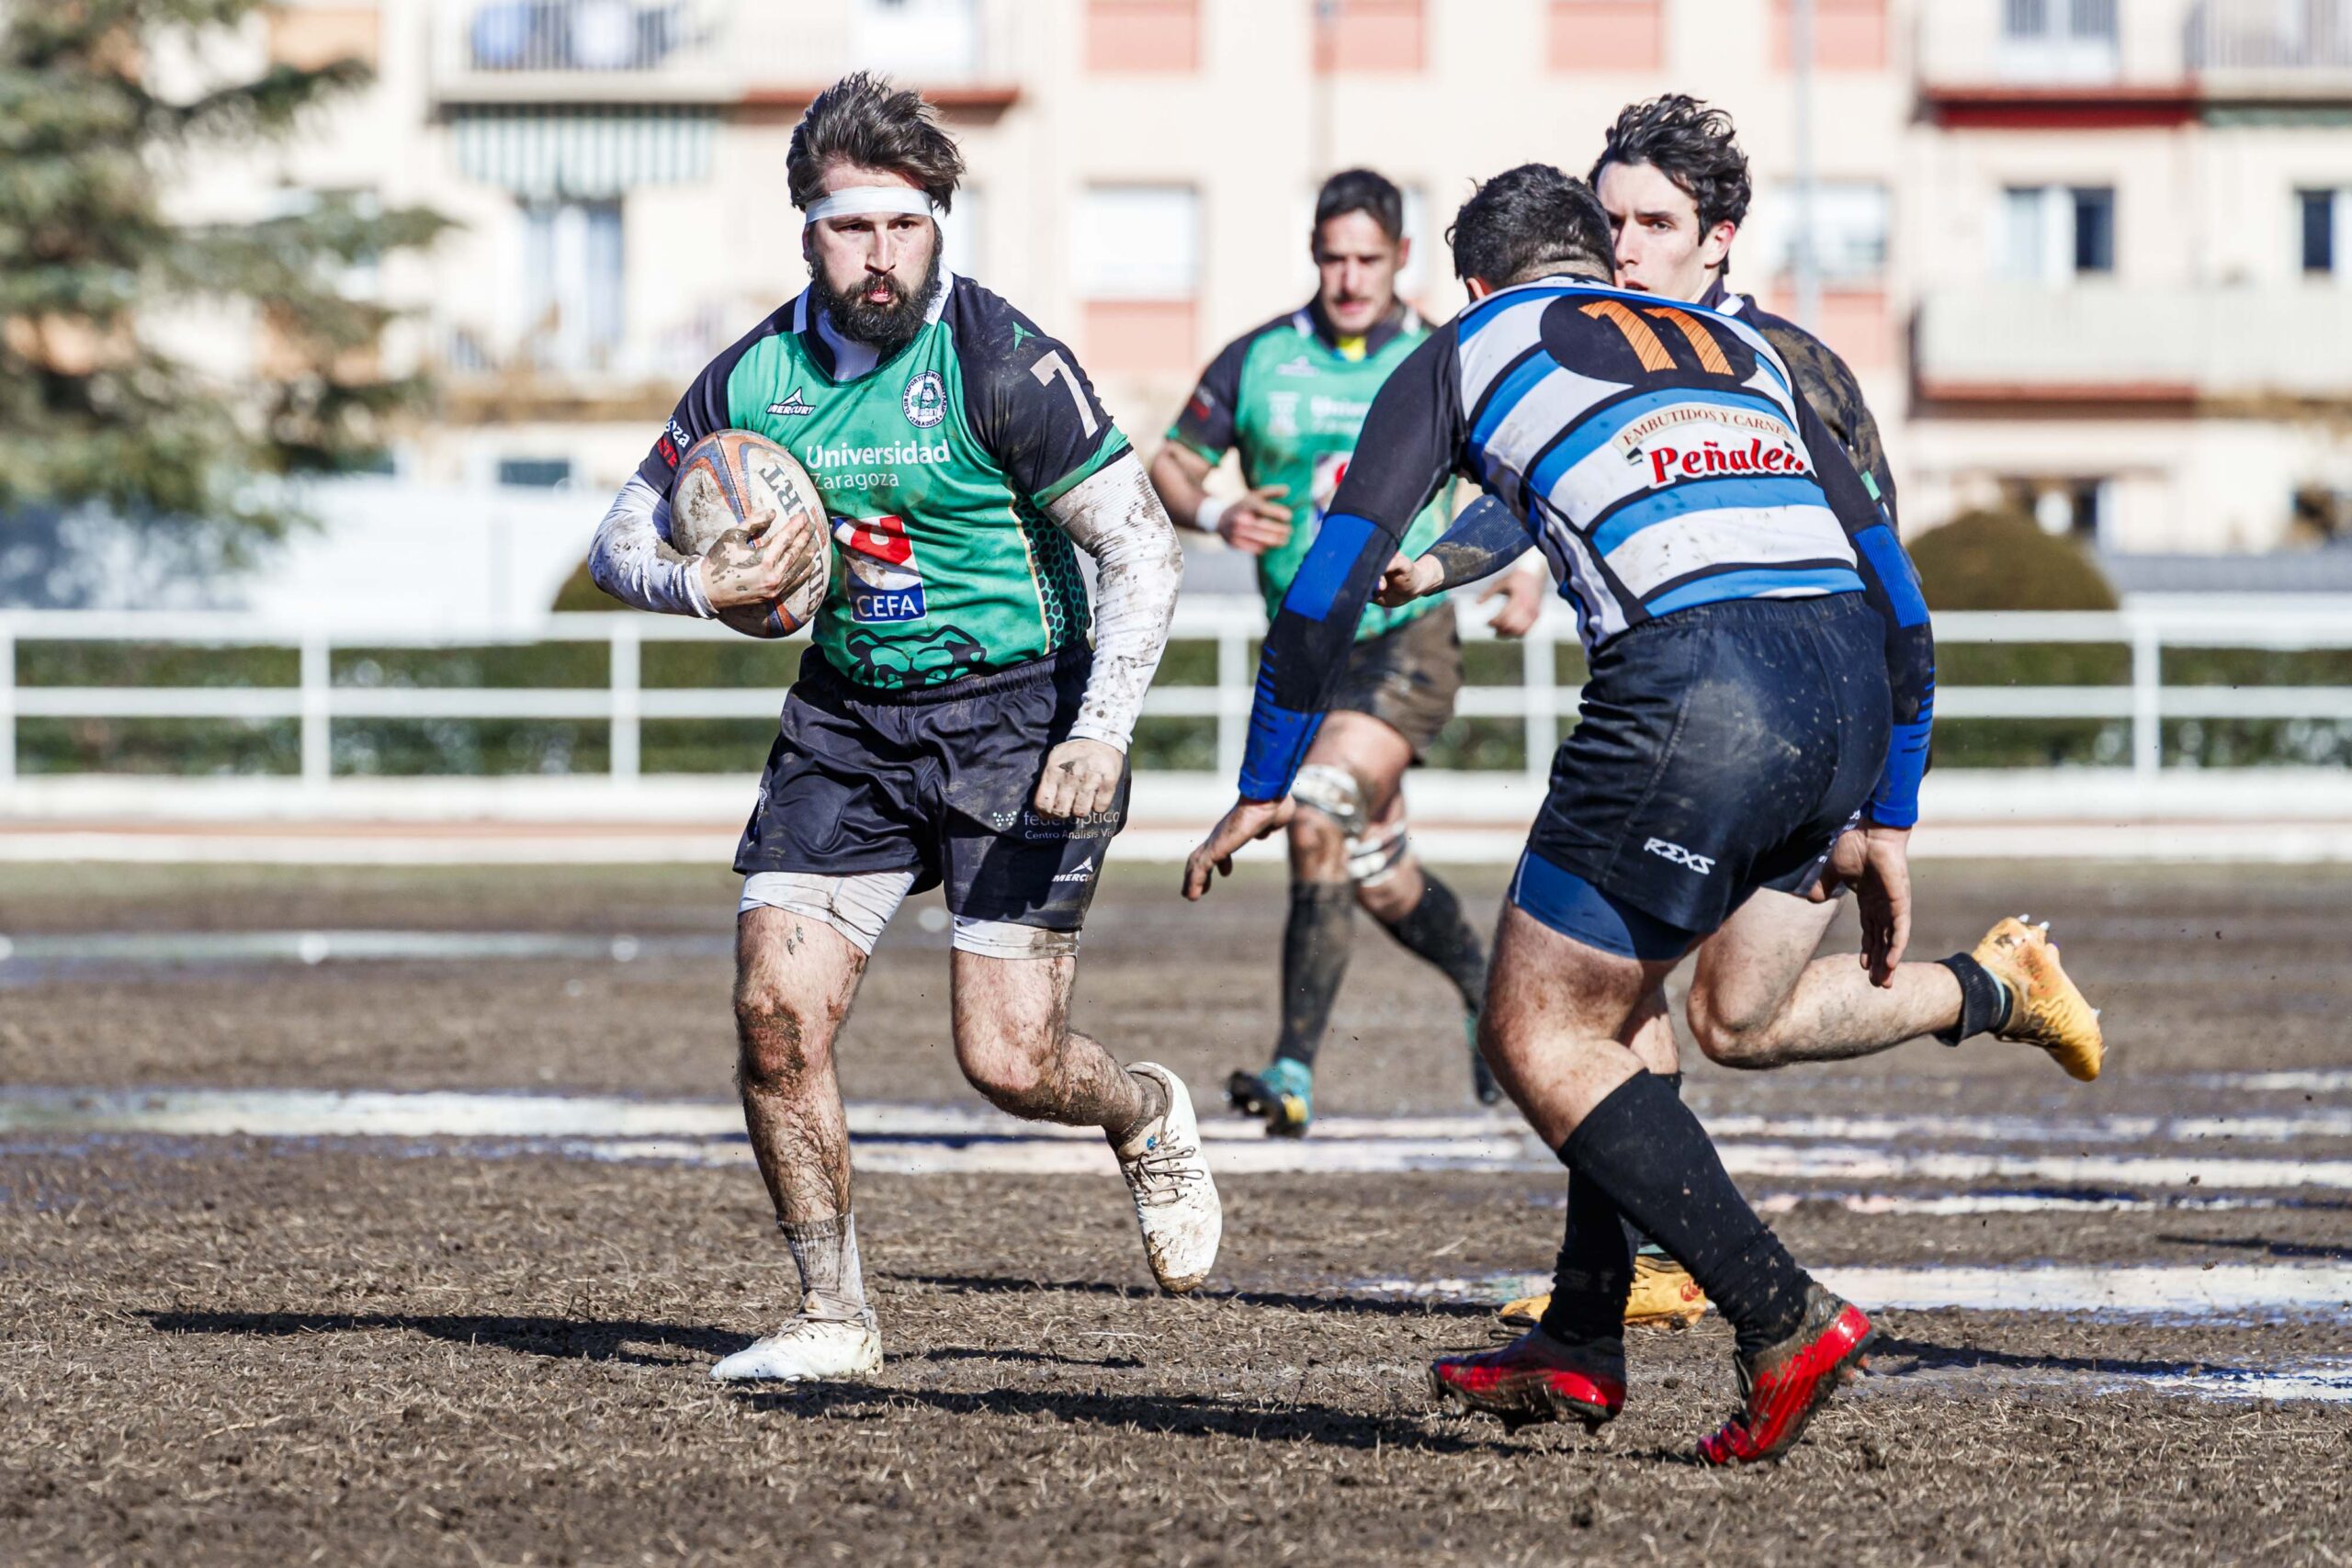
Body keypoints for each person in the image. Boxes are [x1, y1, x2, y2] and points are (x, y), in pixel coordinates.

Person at [1190, 163, 1943, 1464]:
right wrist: (1890, 802)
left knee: (1539, 1028)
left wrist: (1265, 775)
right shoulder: (1735, 341)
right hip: (1848, 686)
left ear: (1475, 281)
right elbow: (1900, 588)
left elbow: (1323, 590)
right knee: (1622, 1009)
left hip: (1699, 688)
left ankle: (1783, 1313)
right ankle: (1584, 1334)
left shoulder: (1462, 345)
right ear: (1597, 258)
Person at [591, 73, 1218, 1385]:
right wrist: (692, 582)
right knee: (774, 1016)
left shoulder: (1000, 360)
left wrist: (1099, 729)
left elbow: (1142, 550)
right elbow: (613, 536)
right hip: (848, 723)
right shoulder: (753, 373)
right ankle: (833, 1310)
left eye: (905, 225)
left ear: (939, 222)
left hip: (1017, 717)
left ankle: (1145, 1109)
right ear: (806, 229)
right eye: (849, 227)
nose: (879, 255)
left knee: (1008, 1059)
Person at [1488, 95, 2103, 1331]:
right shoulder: (1579, 349)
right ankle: (1995, 984)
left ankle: (1617, 1293)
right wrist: (1442, 567)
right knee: (1711, 1012)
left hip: (1807, 733)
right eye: (1607, 219)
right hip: (1698, 727)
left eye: (1654, 222)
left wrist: (1885, 802)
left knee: (1671, 1001)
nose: (1623, 248)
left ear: (1719, 238)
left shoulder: (1791, 367)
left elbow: (1878, 586)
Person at [1149, 169, 1528, 1134]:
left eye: (1368, 258)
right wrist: (1215, 508)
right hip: (1305, 654)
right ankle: (1486, 990)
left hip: (1405, 642)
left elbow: (1522, 481)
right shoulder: (1261, 359)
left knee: (1313, 814)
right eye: (1331, 258)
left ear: (1403, 257)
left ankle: (1291, 1071)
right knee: (1378, 872)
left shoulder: (1450, 357)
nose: (1349, 277)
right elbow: (1172, 464)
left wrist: (1526, 576)